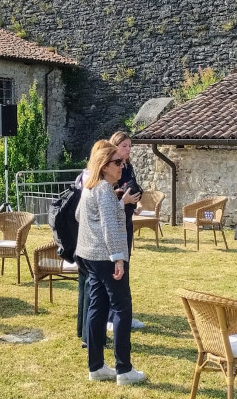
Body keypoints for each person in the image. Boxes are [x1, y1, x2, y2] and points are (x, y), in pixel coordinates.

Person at [76, 140, 146, 385]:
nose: (121, 166)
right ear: (104, 166)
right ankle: (124, 370)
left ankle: (96, 367)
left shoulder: (89, 186)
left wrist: (118, 204)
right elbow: (108, 226)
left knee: (97, 307)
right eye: (117, 162)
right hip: (106, 257)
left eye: (123, 162)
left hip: (89, 256)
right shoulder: (104, 189)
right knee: (122, 308)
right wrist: (118, 258)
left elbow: (80, 216)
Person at [108, 131, 145, 330]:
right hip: (113, 221)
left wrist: (136, 199)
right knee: (115, 268)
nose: (128, 150)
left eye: (130, 146)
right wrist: (123, 197)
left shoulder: (128, 166)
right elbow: (105, 196)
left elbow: (130, 187)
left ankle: (123, 314)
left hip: (126, 219)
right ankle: (113, 316)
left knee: (125, 266)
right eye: (124, 146)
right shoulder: (109, 167)